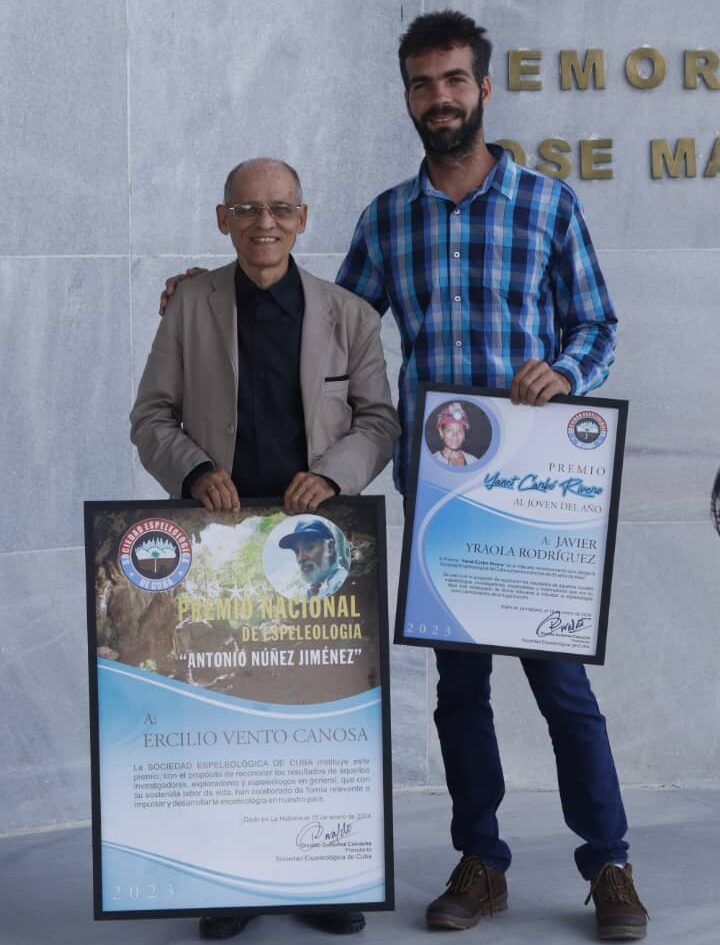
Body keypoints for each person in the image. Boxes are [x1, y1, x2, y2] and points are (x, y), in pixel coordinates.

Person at [334, 11, 647, 941]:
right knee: (460, 690)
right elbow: (335, 335)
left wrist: (570, 373)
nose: (441, 98)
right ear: (408, 98)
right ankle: (481, 861)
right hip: (440, 489)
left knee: (563, 687)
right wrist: (213, 289)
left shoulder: (548, 204)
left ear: (483, 88)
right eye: (425, 83)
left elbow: (597, 325)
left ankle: (611, 863)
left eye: (456, 80)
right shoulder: (388, 218)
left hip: (538, 490)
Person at [132, 157, 400, 940]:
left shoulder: (352, 315)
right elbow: (151, 416)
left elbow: (378, 421)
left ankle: (318, 874)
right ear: (224, 219)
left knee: (314, 714)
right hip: (221, 549)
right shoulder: (189, 307)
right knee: (229, 708)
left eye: (280, 207)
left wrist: (331, 474)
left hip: (317, 547)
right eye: (247, 208)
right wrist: (192, 470)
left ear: (304, 217)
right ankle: (234, 878)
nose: (265, 223)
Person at [279, 519, 349, 597]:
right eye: (296, 551)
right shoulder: (315, 590)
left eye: (309, 547)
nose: (300, 558)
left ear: (329, 548)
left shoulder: (340, 584)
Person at [433, 402, 478, 466]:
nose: (455, 436)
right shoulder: (432, 461)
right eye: (450, 430)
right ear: (441, 432)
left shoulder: (474, 461)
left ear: (464, 434)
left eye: (460, 431)